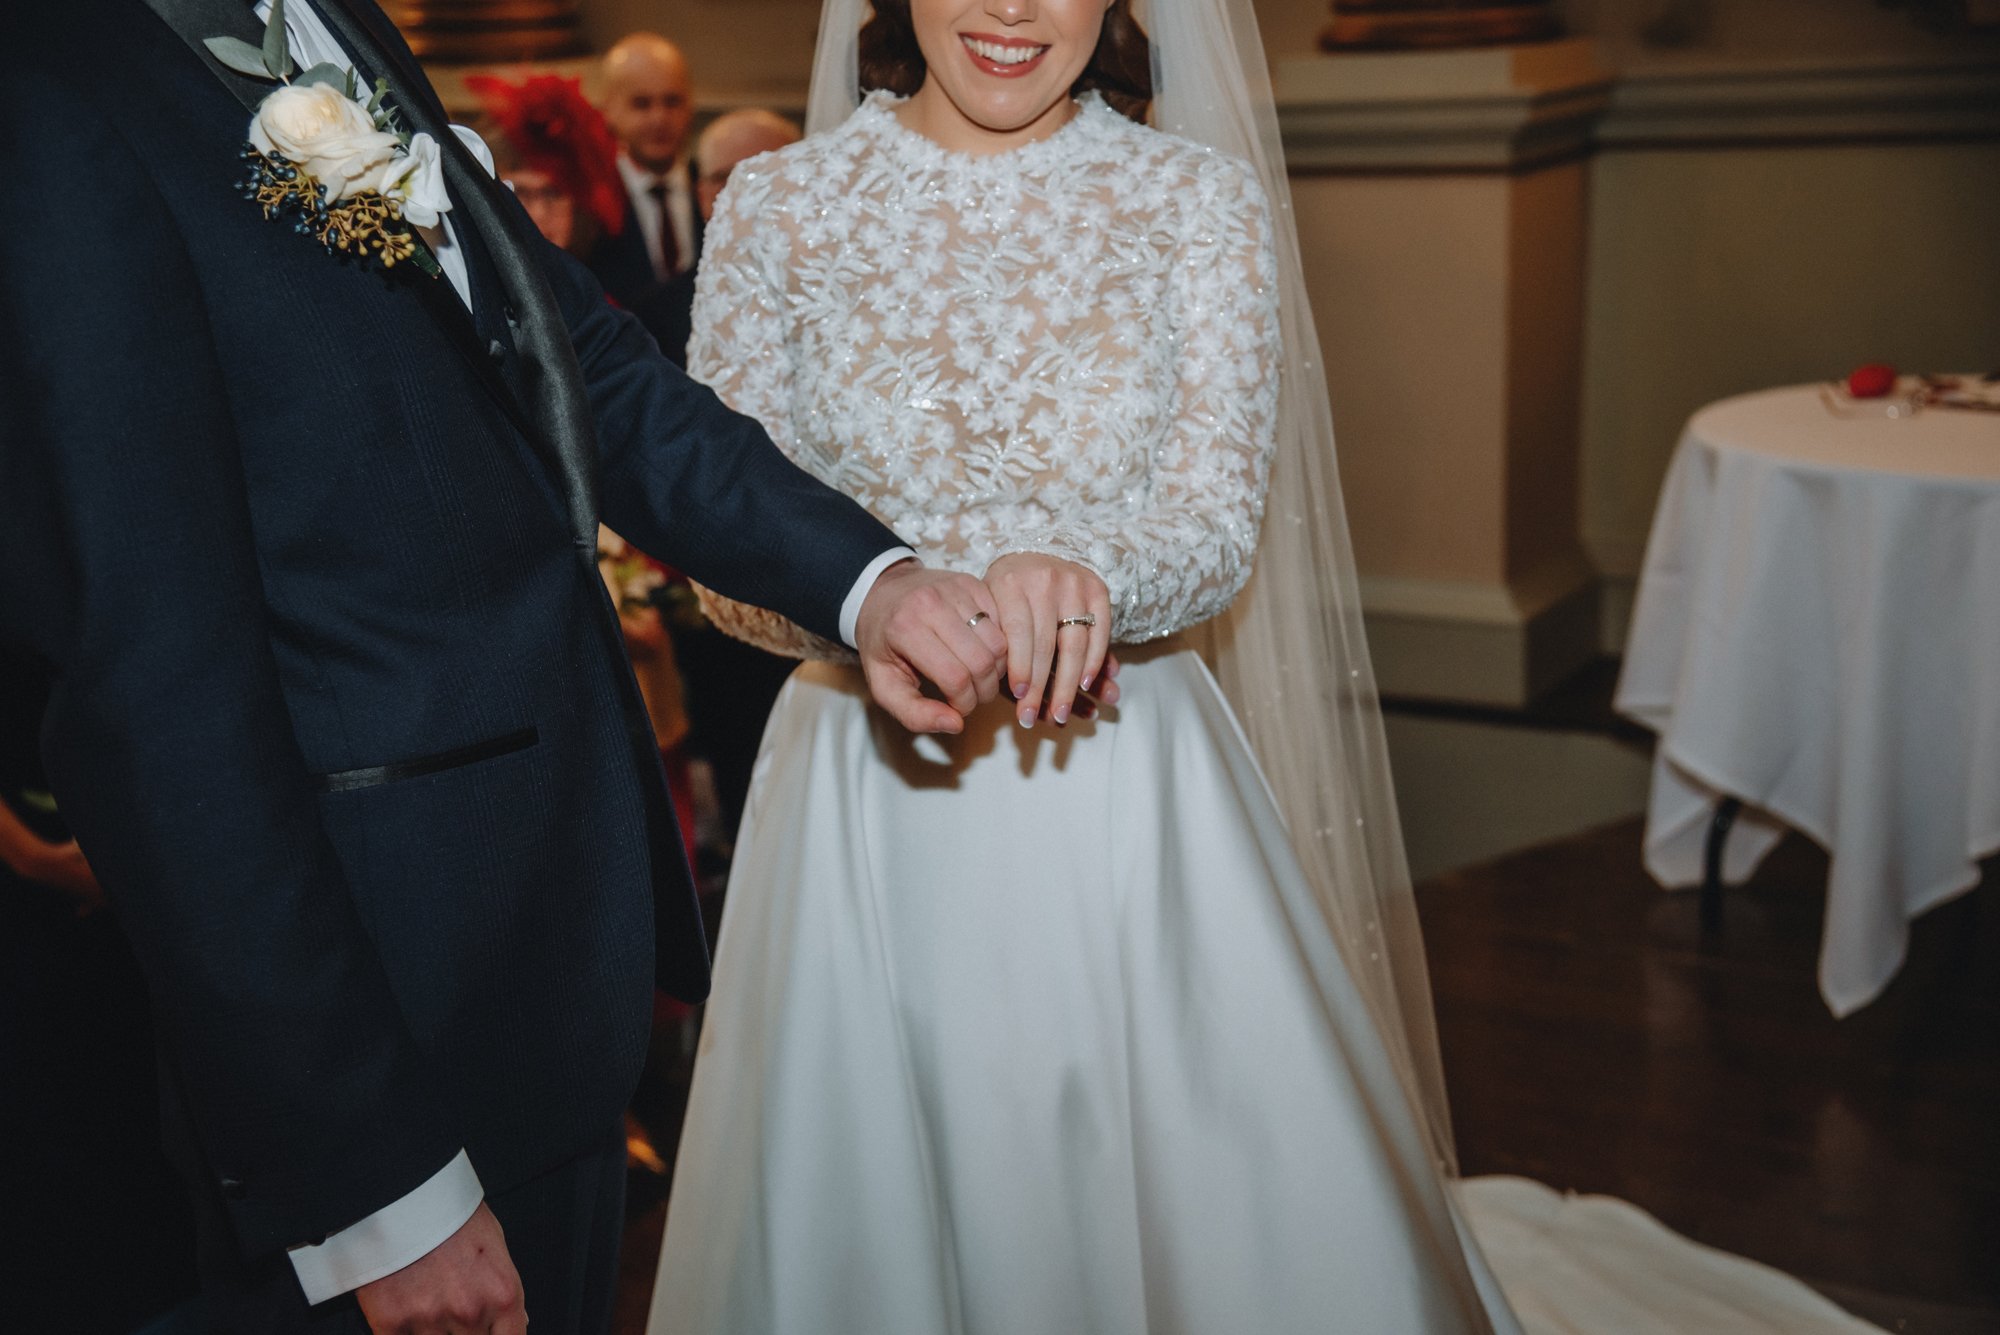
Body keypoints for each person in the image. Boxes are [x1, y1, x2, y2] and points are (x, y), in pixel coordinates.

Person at [0, 0, 1017, 1332]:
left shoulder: (335, 22)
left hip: (547, 962)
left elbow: (577, 355)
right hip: (378, 1025)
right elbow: (154, 686)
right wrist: (376, 1182)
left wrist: (870, 582)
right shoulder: (52, 85)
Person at [647, 0, 1520, 1330]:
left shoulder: (1192, 199)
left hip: (1124, 786)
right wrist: (876, 606)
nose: (1011, 9)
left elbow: (1218, 525)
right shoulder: (777, 208)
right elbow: (723, 561)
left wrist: (1093, 578)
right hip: (865, 801)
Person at [630, 108, 802, 369]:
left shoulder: (843, 295)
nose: (743, 192)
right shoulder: (654, 317)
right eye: (726, 178)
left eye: (764, 174)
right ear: (702, 195)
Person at [591, 32, 701, 309]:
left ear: (690, 105)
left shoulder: (713, 189)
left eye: (672, 101)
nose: (659, 118)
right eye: (641, 104)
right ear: (609, 110)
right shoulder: (590, 205)